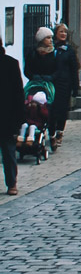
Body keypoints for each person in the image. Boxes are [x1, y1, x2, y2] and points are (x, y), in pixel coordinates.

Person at [48, 24, 80, 149]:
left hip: (65, 84)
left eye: (65, 32)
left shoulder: (69, 51)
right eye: (61, 32)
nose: (63, 34)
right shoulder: (51, 49)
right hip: (52, 83)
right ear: (55, 33)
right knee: (51, 111)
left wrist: (75, 87)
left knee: (62, 111)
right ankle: (51, 134)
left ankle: (59, 132)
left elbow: (74, 69)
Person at [0, 41, 23, 195]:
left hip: (6, 116)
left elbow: (18, 94)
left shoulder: (10, 64)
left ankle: (11, 183)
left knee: (8, 151)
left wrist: (18, 119)